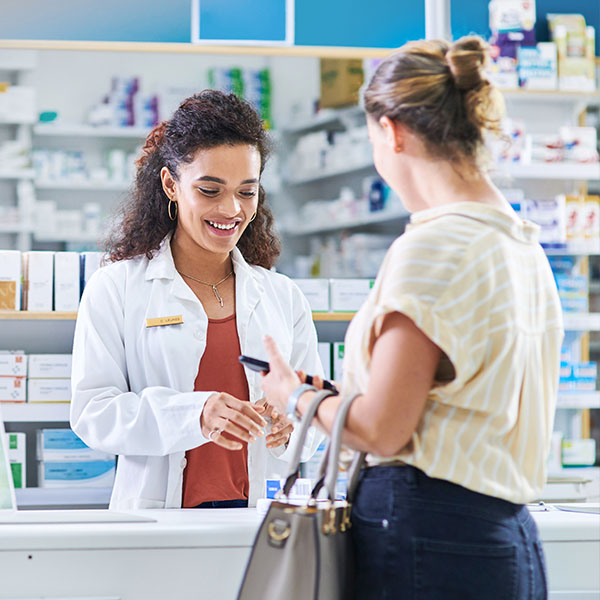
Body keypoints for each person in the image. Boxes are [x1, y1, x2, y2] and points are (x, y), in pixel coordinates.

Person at [259, 36, 562, 599]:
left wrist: (292, 396)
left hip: (427, 533)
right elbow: (445, 399)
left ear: (392, 132)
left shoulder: (434, 246)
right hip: (505, 535)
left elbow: (383, 430)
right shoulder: (521, 246)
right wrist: (338, 394)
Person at [70, 90, 323, 510]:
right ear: (171, 184)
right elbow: (94, 413)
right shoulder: (116, 288)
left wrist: (290, 424)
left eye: (247, 192)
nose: (231, 209)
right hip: (158, 520)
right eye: (209, 190)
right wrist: (194, 414)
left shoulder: (282, 296)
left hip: (258, 519)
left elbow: (313, 405)